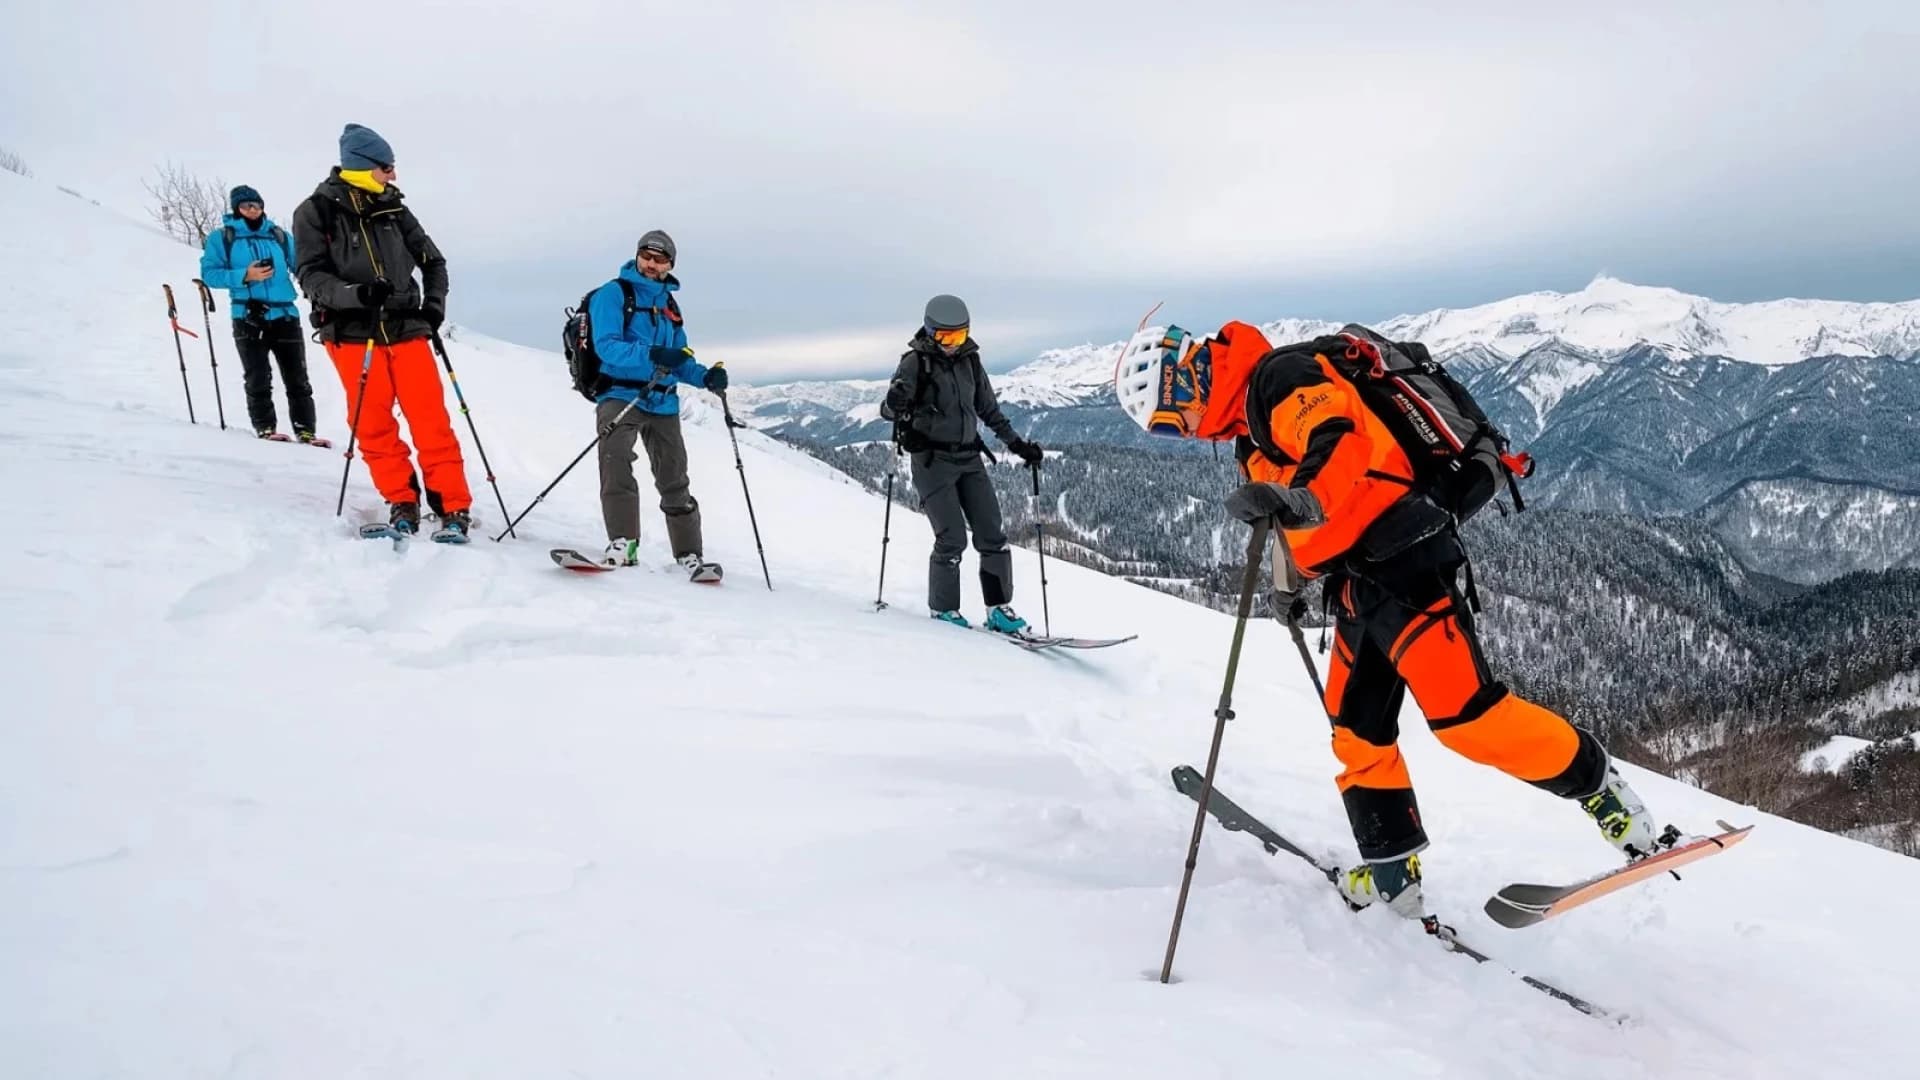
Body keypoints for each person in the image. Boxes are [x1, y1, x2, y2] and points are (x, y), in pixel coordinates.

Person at [1115, 319, 1665, 917]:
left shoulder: (1278, 378)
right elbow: (1290, 512)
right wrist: (1290, 579)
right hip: (1357, 584)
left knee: (1467, 720)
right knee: (1357, 732)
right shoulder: (1248, 429)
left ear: (1183, 384)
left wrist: (1306, 501)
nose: (1183, 434)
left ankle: (1601, 788)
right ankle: (1391, 878)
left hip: (1407, 563)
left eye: (1171, 421)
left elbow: (1339, 436)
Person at [290, 123, 469, 539]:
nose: (393, 175)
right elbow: (311, 275)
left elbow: (434, 262)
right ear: (361, 166)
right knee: (372, 424)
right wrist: (356, 294)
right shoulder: (315, 211)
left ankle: (453, 506)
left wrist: (434, 307)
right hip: (351, 332)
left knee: (431, 420)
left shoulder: (395, 209)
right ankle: (401, 500)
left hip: (407, 328)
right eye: (386, 167)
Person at [879, 295, 1044, 633]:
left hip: (969, 457)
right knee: (952, 537)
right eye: (945, 337)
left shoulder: (970, 361)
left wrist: (1017, 445)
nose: (953, 344)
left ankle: (999, 609)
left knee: (992, 534)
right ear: (930, 332)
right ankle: (944, 611)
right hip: (932, 460)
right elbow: (890, 411)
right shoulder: (915, 363)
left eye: (959, 336)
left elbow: (989, 410)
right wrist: (892, 404)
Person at [588, 230, 727, 580]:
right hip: (619, 393)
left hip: (663, 401)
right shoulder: (612, 294)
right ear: (637, 256)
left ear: (670, 265)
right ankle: (623, 543)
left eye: (660, 259)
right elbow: (607, 347)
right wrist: (652, 354)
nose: (651, 264)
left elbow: (678, 359)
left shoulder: (670, 305)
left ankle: (689, 556)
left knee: (674, 477)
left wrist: (705, 377)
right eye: (646, 256)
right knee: (616, 459)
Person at [197, 185, 320, 443]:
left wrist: (318, 291)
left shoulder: (278, 235)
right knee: (257, 376)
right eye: (246, 206)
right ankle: (265, 428)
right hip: (247, 316)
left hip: (285, 314)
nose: (253, 210)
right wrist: (245, 275)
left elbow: (302, 266)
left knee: (298, 377)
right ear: (236, 209)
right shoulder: (222, 238)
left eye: (257, 205)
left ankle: (306, 431)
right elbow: (210, 274)